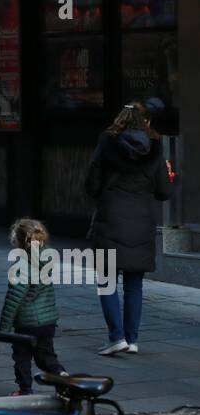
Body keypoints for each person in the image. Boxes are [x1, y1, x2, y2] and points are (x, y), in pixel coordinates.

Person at [85, 101, 172, 356]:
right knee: (134, 285)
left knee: (107, 282)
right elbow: (164, 192)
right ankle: (132, 340)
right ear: (147, 122)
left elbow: (92, 186)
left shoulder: (106, 143)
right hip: (141, 223)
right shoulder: (155, 148)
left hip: (111, 220)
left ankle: (116, 337)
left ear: (120, 119)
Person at [0, 218, 68, 396]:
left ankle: (25, 390)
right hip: (48, 320)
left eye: (14, 239)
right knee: (46, 355)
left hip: (27, 322)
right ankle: (61, 376)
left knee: (22, 356)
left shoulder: (23, 266)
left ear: (20, 242)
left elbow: (13, 299)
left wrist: (3, 329)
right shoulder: (46, 259)